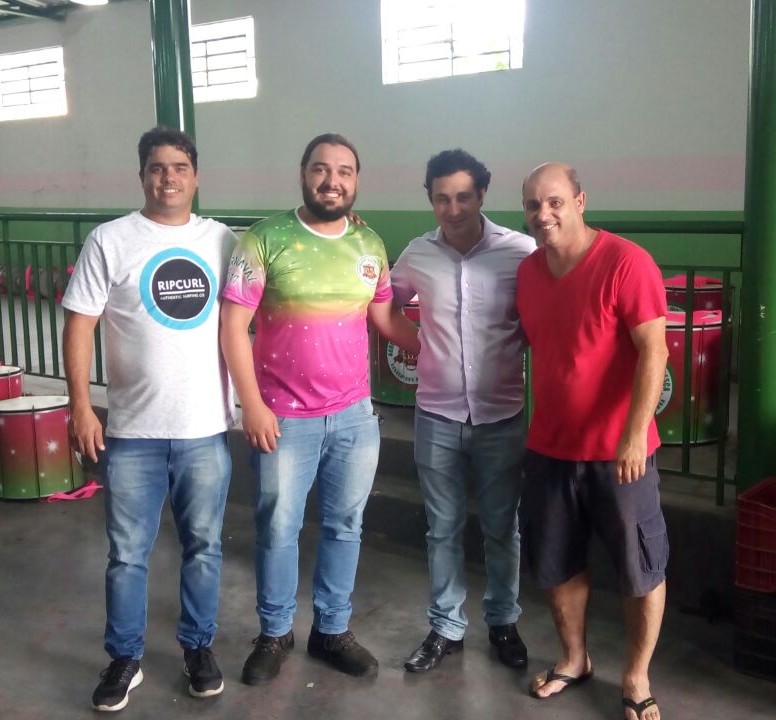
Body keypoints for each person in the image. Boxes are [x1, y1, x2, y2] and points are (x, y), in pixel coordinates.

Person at [220, 133, 420, 685]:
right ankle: (275, 632)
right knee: (278, 529)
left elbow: (385, 318)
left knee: (345, 527)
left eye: (344, 171)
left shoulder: (369, 244)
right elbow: (233, 327)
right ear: (303, 174)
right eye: (321, 169)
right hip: (283, 418)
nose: (332, 181)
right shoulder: (263, 239)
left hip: (355, 417)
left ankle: (331, 630)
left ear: (356, 181)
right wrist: (251, 404)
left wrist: (443, 350)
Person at [62, 126, 237, 712]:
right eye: (157, 167)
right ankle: (124, 658)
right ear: (141, 176)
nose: (169, 178)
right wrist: (80, 405)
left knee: (204, 547)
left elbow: (265, 290)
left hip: (204, 429)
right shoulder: (110, 240)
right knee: (127, 555)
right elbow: (80, 324)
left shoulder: (222, 242)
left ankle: (198, 648)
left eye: (180, 167)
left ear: (196, 176)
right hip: (133, 432)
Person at [515, 163, 670, 720]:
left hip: (620, 453)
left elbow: (655, 350)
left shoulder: (627, 262)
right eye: (533, 205)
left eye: (555, 201)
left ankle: (636, 676)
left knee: (640, 566)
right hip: (550, 446)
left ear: (581, 202)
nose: (543, 214)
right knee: (557, 563)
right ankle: (574, 659)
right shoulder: (528, 271)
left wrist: (634, 436)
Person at [388, 149, 536, 673]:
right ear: (430, 200)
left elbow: (545, 315)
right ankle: (446, 627)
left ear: (482, 195)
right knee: (443, 529)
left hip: (502, 416)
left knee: (501, 527)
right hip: (437, 417)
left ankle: (503, 621)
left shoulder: (520, 251)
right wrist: (419, 344)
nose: (453, 209)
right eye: (442, 199)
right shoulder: (417, 254)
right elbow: (382, 302)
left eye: (464, 197)